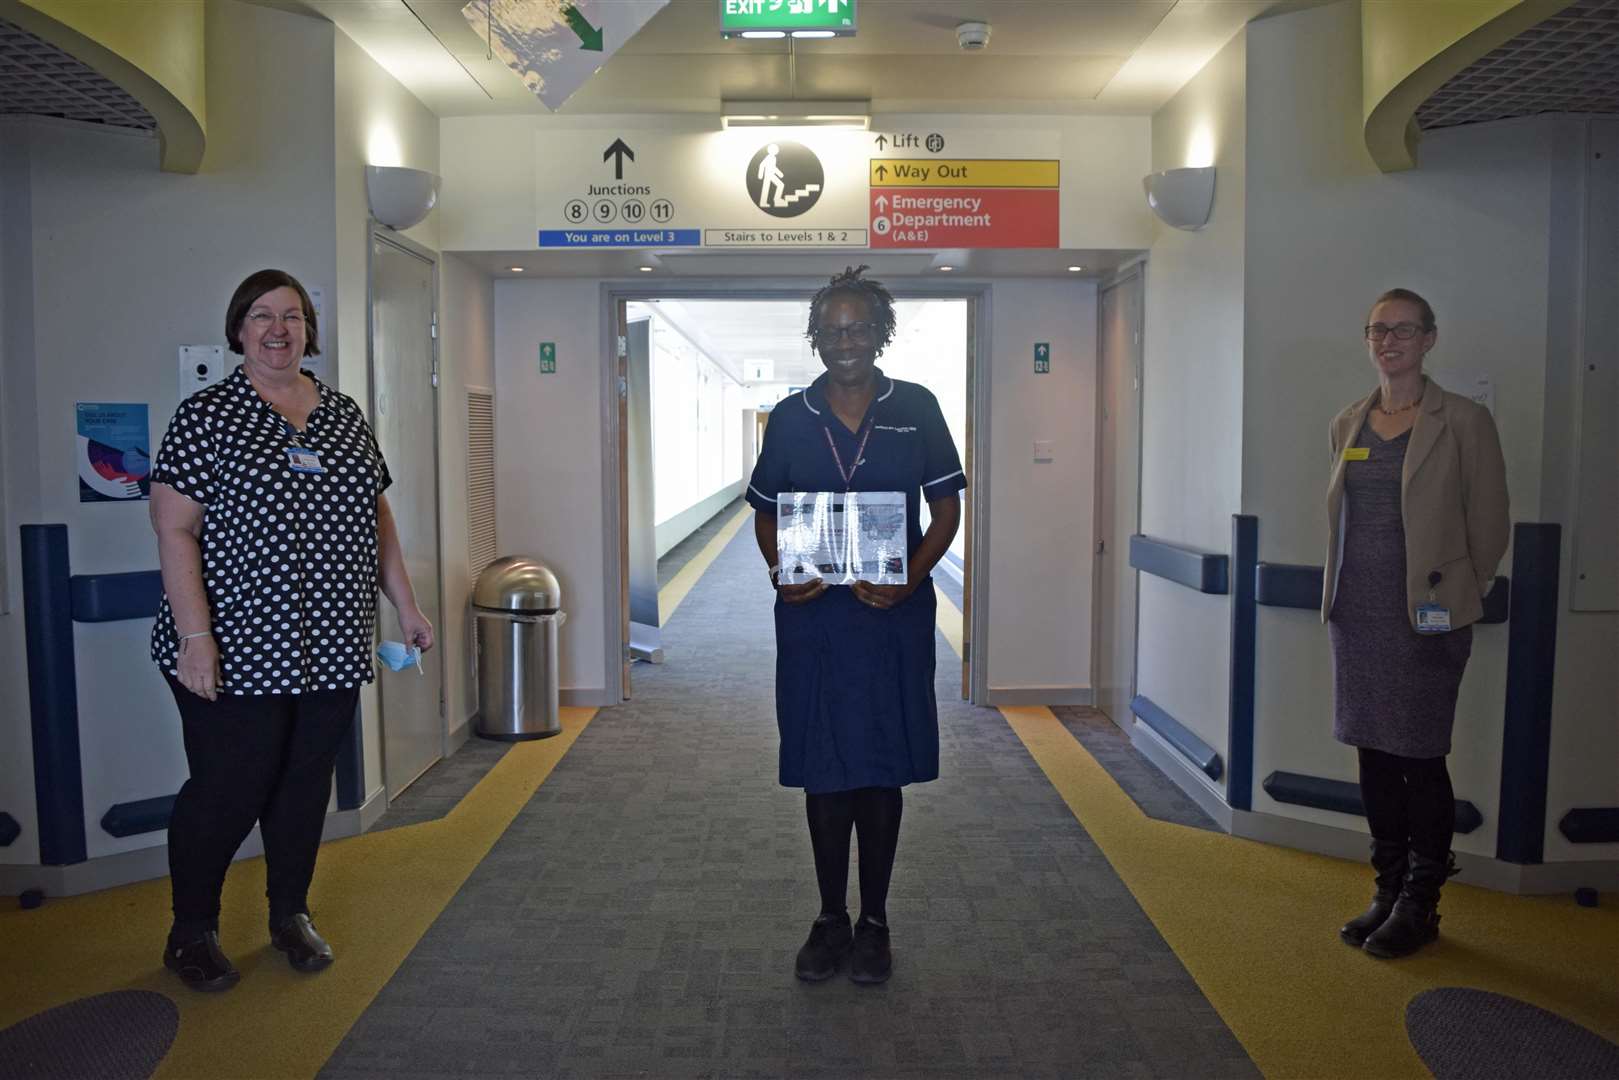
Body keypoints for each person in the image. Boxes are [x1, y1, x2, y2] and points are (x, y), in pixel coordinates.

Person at [148, 268, 434, 991]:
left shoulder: (341, 414)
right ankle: (191, 930)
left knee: (304, 787)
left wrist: (406, 604)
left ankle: (288, 915)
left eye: (294, 317)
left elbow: (376, 518)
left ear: (309, 332)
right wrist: (195, 638)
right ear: (238, 330)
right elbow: (174, 528)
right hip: (230, 647)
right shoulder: (206, 416)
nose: (279, 329)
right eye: (263, 316)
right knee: (227, 788)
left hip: (331, 643)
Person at [746, 266, 965, 984]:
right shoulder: (788, 416)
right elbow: (767, 512)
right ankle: (828, 918)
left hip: (889, 617)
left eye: (858, 328)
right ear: (816, 338)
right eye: (832, 330)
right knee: (822, 767)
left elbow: (946, 513)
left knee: (879, 768)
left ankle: (874, 921)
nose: (845, 342)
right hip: (813, 620)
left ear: (879, 334)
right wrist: (784, 571)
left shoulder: (918, 408)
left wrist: (911, 576)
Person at [1323, 287, 1509, 959]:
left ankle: (1420, 904)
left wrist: (1453, 595)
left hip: (1425, 621)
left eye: (1404, 329)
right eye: (1377, 329)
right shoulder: (1348, 421)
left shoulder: (1461, 420)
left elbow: (1488, 525)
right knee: (1371, 752)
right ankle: (1386, 890)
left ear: (1429, 338)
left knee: (1420, 758)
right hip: (1357, 614)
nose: (1388, 340)